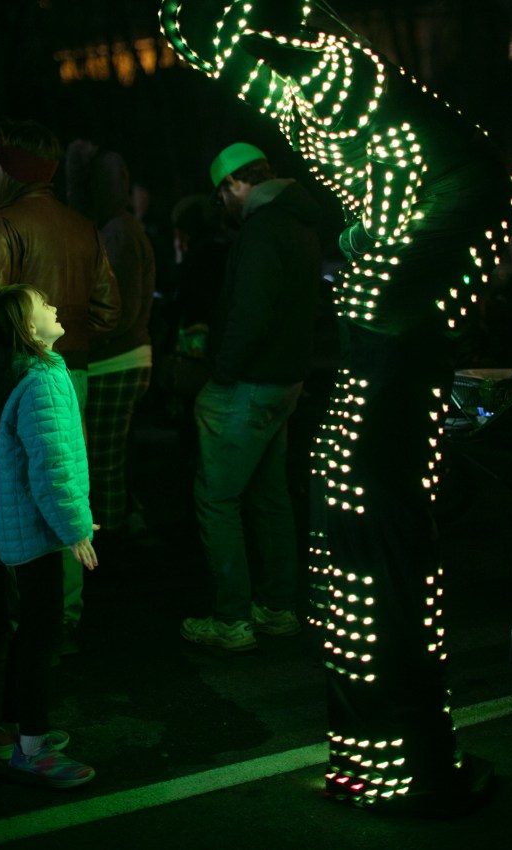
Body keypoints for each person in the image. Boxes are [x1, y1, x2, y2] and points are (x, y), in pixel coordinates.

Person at [160, 0, 512, 815]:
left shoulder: (330, 68)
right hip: (412, 254)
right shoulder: (291, 105)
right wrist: (370, 226)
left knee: (380, 497)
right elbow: (369, 175)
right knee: (354, 506)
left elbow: (318, 68)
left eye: (225, 43)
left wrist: (262, 33)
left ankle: (410, 762)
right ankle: (370, 753)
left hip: (451, 223)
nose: (223, 62)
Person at [0, 119, 120, 653]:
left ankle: (28, 627)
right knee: (67, 489)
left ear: (11, 167)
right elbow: (107, 311)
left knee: (17, 499)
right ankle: (63, 619)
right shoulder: (82, 227)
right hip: (70, 375)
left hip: (16, 380)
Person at [181, 142, 322, 652]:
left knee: (217, 498)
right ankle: (279, 607)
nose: (224, 209)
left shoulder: (263, 230)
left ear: (233, 185)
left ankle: (232, 619)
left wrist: (220, 371)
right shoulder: (301, 223)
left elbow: (250, 313)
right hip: (287, 381)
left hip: (248, 384)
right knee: (270, 496)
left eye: (223, 197)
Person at [0, 284, 98, 788]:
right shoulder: (42, 383)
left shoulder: (43, 373)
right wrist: (75, 528)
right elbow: (53, 469)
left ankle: (9, 729)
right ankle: (33, 745)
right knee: (42, 638)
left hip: (31, 527)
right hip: (36, 531)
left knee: (30, 632)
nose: (54, 306)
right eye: (43, 305)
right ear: (29, 330)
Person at [66, 142, 156, 538]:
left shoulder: (116, 231)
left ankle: (113, 541)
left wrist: (84, 337)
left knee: (102, 461)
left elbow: (120, 310)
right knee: (108, 458)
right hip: (122, 357)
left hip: (115, 359)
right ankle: (117, 533)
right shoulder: (118, 228)